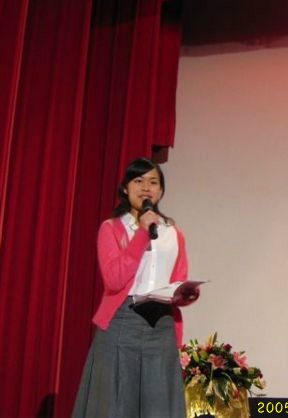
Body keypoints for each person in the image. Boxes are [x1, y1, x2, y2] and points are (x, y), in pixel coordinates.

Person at [73, 157, 199, 418]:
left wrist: (186, 294)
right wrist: (142, 233)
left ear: (160, 191)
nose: (146, 187)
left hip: (160, 324)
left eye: (153, 182)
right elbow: (114, 279)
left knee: (158, 405)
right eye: (138, 181)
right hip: (122, 322)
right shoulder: (111, 229)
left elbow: (178, 279)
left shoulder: (173, 233)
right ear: (125, 188)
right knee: (116, 403)